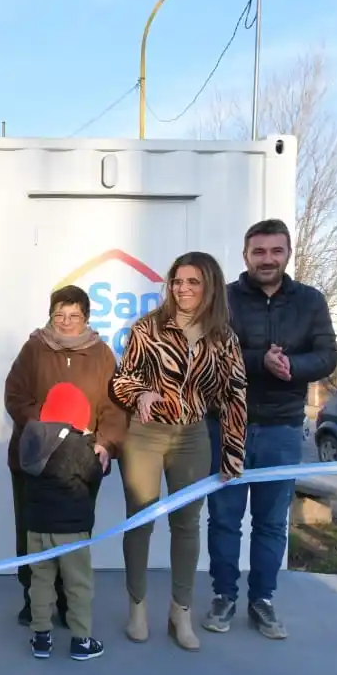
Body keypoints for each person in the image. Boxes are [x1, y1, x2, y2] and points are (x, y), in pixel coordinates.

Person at [204, 219, 337, 640]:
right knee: (225, 519)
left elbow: (328, 355)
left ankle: (262, 599)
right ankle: (224, 596)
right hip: (229, 425)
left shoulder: (310, 301)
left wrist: (293, 367)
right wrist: (261, 359)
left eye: (275, 251)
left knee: (271, 523)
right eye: (258, 252)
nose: (267, 259)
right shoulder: (222, 300)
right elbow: (210, 354)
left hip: (282, 428)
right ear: (245, 255)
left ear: (287, 254)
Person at [109, 251, 246, 653]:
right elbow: (121, 381)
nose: (182, 289)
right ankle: (137, 608)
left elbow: (234, 396)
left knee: (187, 524)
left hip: (193, 438)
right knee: (140, 522)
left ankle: (179, 613)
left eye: (192, 282)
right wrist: (141, 392)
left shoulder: (224, 337)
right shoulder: (148, 328)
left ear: (210, 288)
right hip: (145, 435)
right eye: (177, 281)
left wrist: (232, 452)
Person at [3, 284, 126, 628]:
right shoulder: (33, 349)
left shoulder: (102, 355)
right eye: (60, 315)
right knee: (31, 532)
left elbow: (114, 407)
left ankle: (68, 601)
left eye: (74, 316)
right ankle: (34, 599)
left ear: (86, 317)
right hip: (35, 460)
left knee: (72, 535)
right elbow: (15, 397)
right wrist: (47, 426)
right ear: (51, 316)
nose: (67, 322)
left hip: (82, 462)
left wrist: (106, 443)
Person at [16, 382, 107, 661]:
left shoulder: (31, 440)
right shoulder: (77, 445)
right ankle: (81, 640)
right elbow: (94, 473)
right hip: (71, 529)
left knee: (40, 580)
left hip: (37, 527)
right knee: (78, 583)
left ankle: (41, 637)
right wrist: (94, 448)